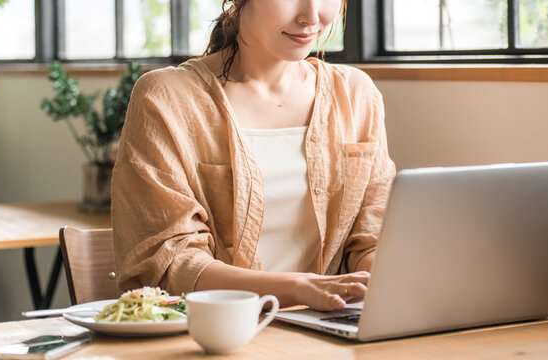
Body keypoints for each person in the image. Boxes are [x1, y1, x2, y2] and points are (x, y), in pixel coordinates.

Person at [111, 0, 395, 312]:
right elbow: (171, 265)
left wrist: (386, 277)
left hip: (329, 334)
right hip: (214, 336)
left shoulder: (356, 94)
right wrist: (300, 289)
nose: (311, 17)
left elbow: (370, 239)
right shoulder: (167, 98)